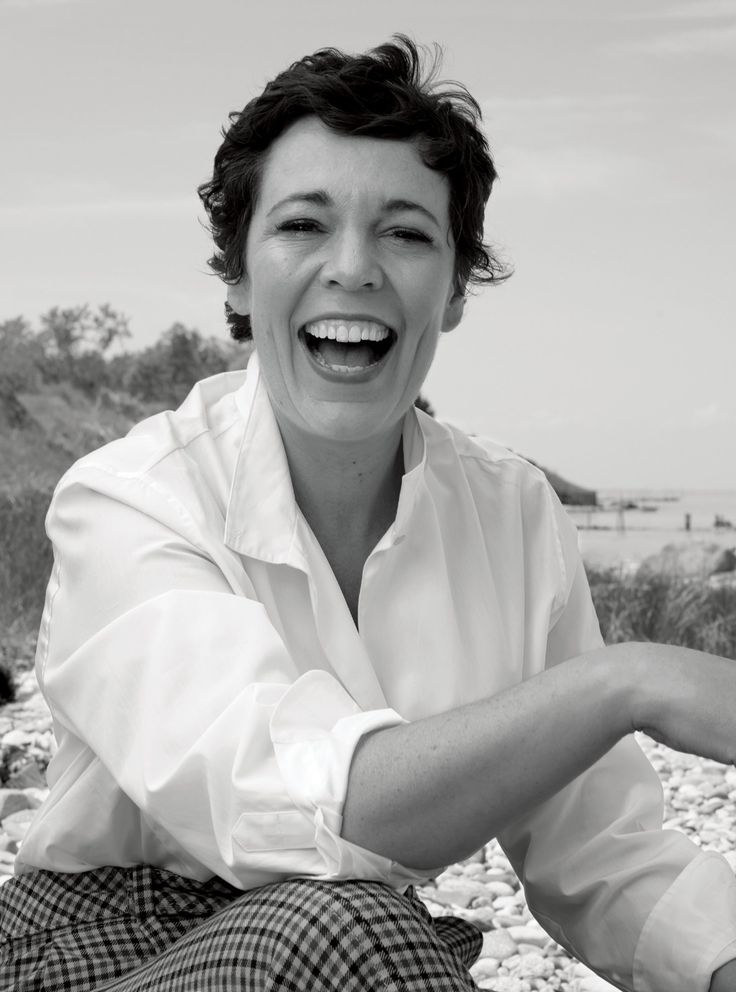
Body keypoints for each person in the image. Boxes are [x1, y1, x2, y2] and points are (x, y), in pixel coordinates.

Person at [1, 35, 736, 992]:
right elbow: (305, 815)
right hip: (97, 954)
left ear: (457, 286)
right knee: (344, 932)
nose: (353, 268)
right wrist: (630, 682)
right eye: (303, 225)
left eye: (405, 232)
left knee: (364, 939)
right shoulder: (130, 499)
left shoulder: (511, 510)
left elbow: (598, 848)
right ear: (236, 272)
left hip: (365, 947)